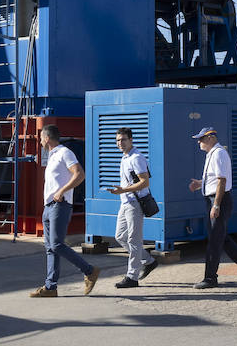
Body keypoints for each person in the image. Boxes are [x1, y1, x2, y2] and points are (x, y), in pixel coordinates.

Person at [29, 125, 100, 297]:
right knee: (50, 248)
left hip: (60, 205)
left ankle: (89, 270)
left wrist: (62, 191)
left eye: (40, 137)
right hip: (49, 207)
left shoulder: (64, 153)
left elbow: (79, 174)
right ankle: (50, 287)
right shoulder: (52, 156)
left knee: (56, 244)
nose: (39, 140)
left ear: (47, 138)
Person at [188, 127, 237, 289]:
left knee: (214, 241)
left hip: (219, 200)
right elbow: (214, 179)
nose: (199, 142)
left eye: (201, 138)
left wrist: (217, 205)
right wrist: (200, 184)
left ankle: (210, 278)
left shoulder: (219, 153)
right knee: (222, 238)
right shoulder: (212, 154)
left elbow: (222, 181)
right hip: (213, 199)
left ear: (211, 137)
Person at [106, 126, 159, 288]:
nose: (120, 143)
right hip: (125, 202)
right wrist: (122, 192)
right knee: (120, 236)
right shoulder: (125, 157)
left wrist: (123, 190)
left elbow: (145, 182)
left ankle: (132, 277)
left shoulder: (136, 157)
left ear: (131, 140)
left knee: (134, 239)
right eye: (117, 140)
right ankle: (148, 261)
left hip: (135, 203)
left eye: (123, 140)